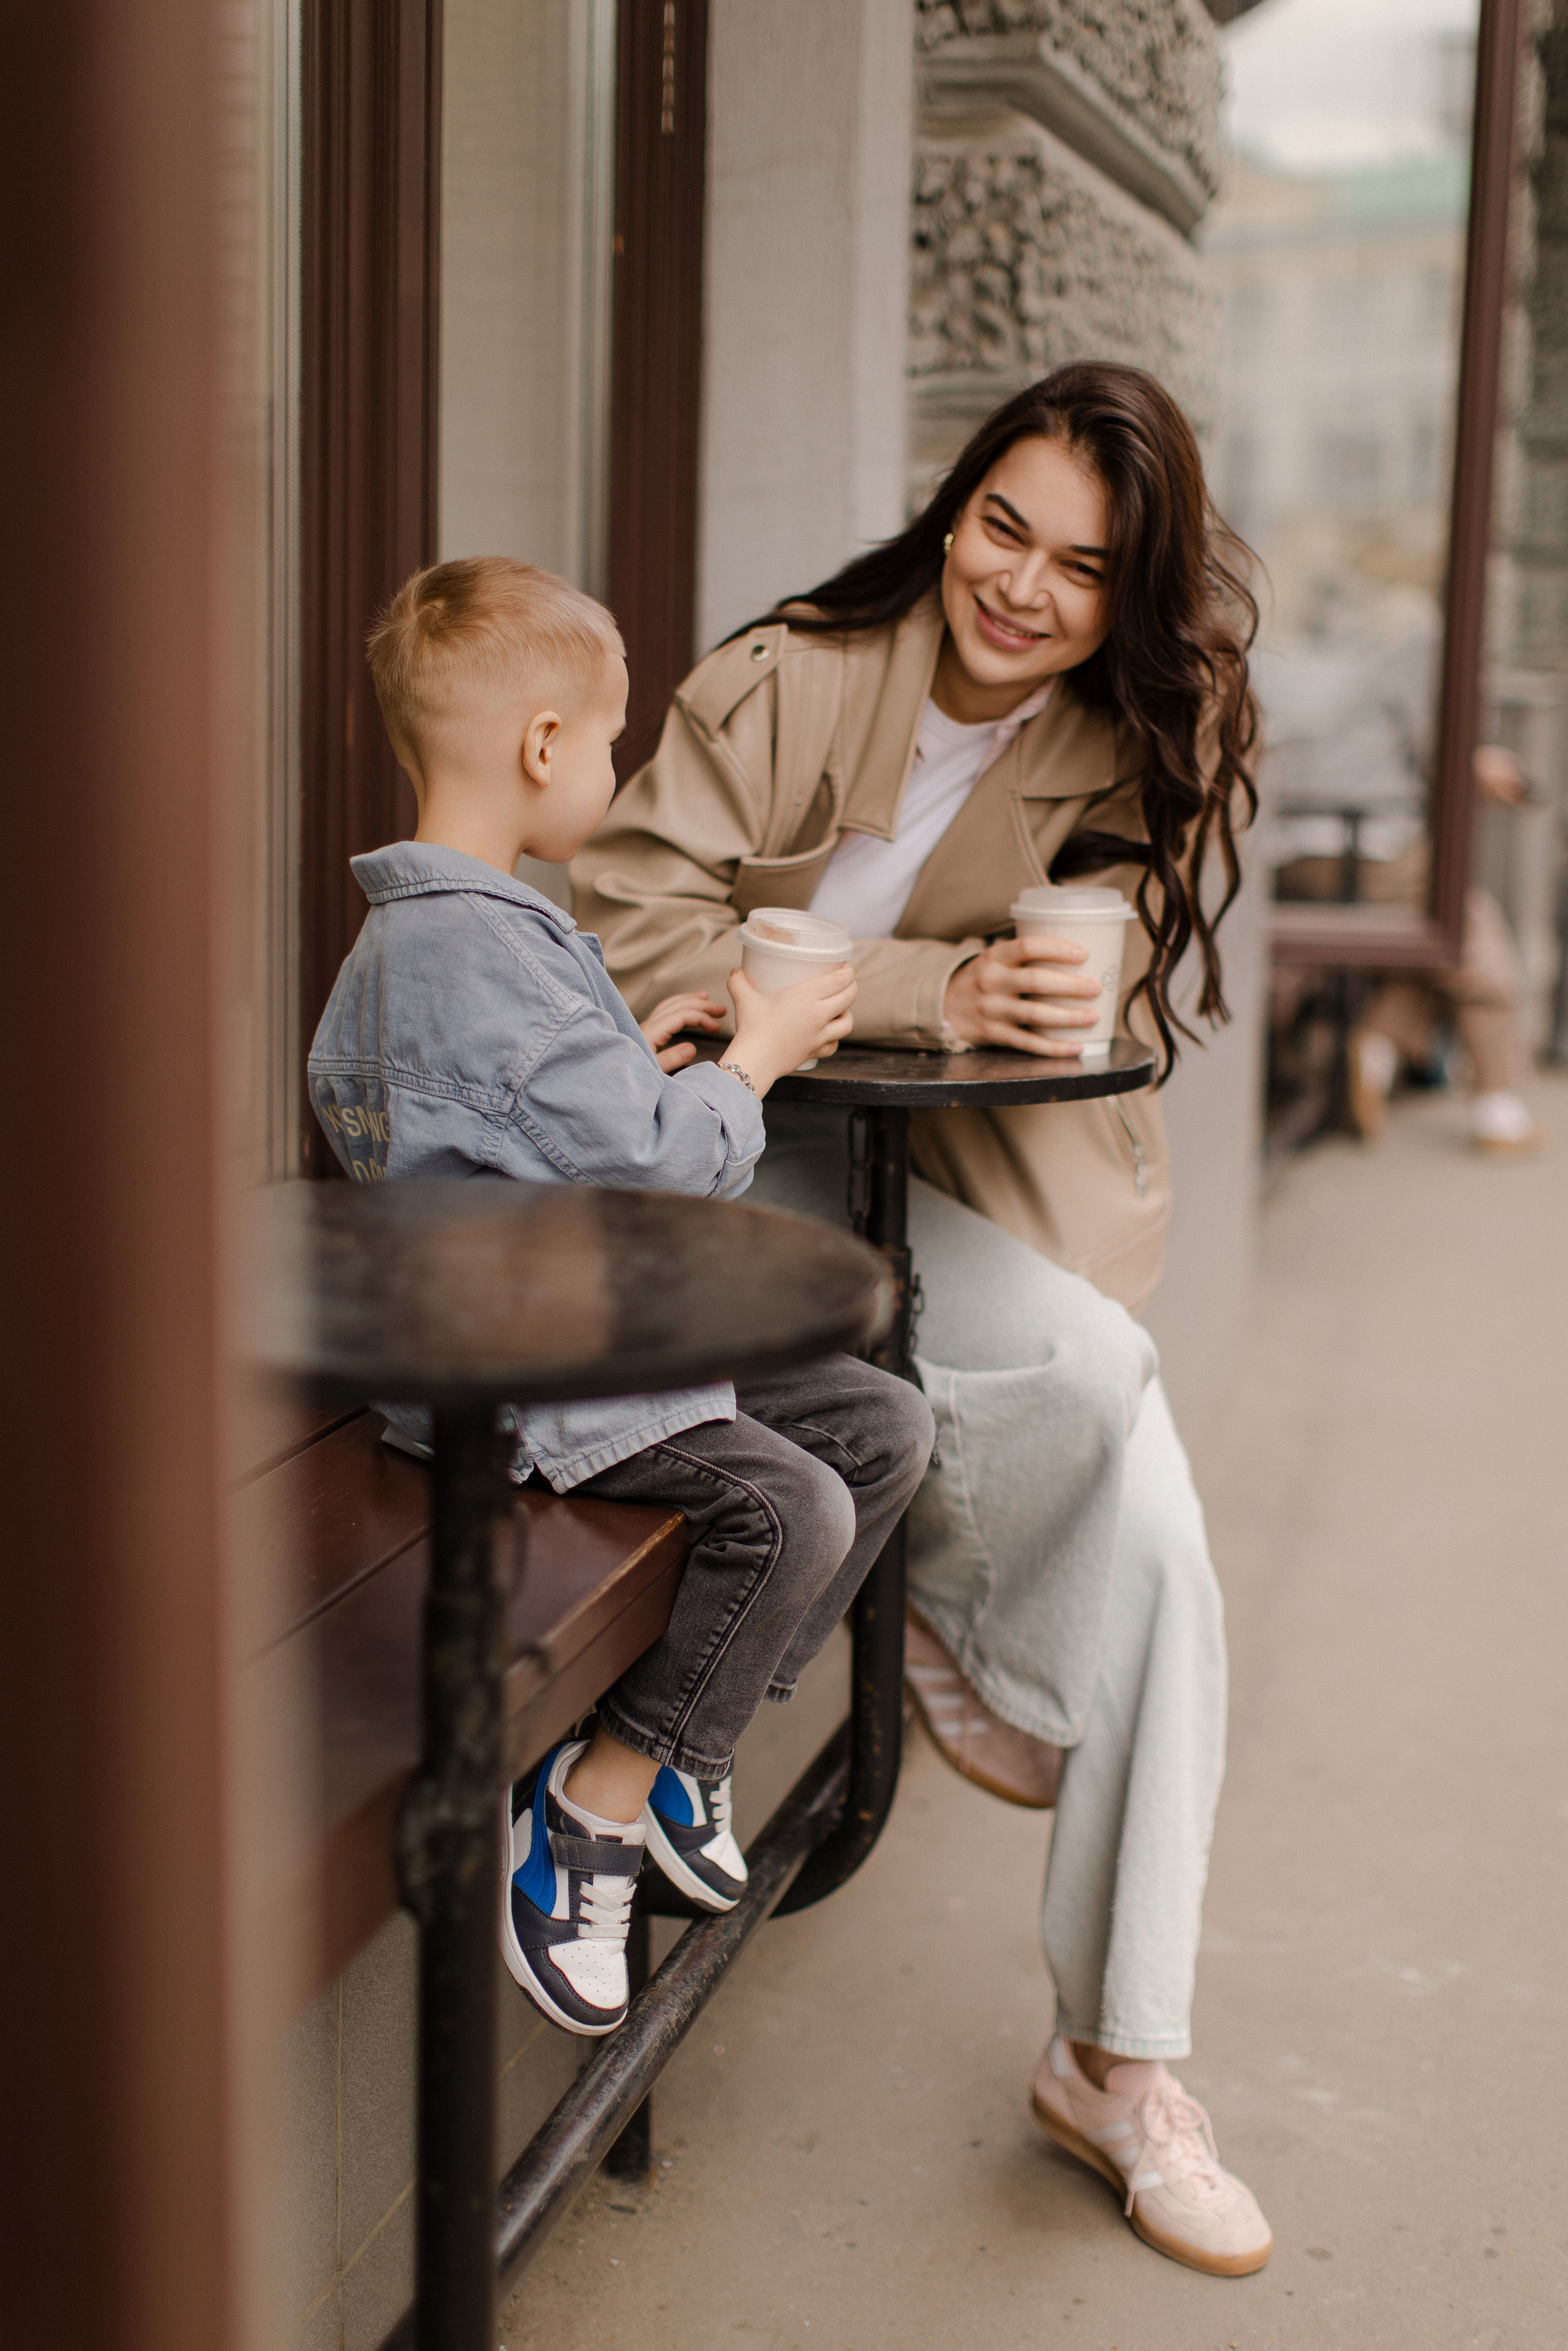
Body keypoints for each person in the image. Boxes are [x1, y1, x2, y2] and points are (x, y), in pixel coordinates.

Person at [575, 363, 1274, 2275]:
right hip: (705, 1157)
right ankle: (967, 1599)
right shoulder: (791, 673)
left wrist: (1049, 1000)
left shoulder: (1113, 727)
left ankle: (1120, 2056)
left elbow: (1102, 954)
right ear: (949, 509)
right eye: (999, 527)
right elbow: (626, 931)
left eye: (1079, 566)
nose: (1021, 589)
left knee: (1148, 1506)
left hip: (922, 1179)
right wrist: (925, 990)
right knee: (1098, 1390)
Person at [307, 556, 933, 2039]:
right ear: (539, 746)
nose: (612, 768)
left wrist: (632, 1063)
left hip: (584, 1324)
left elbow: (516, 1137)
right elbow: (662, 1169)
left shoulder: (451, 937)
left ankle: (671, 1748)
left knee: (880, 1421)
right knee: (794, 1506)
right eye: (606, 742)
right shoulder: (474, 949)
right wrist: (755, 1057)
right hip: (529, 1373)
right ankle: (590, 1803)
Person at [1344, 747, 1545, 1153]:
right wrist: (1478, 761)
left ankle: (1380, 1044)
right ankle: (1496, 1103)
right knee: (1473, 938)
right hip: (1375, 847)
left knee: (1434, 947)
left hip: (1308, 842)